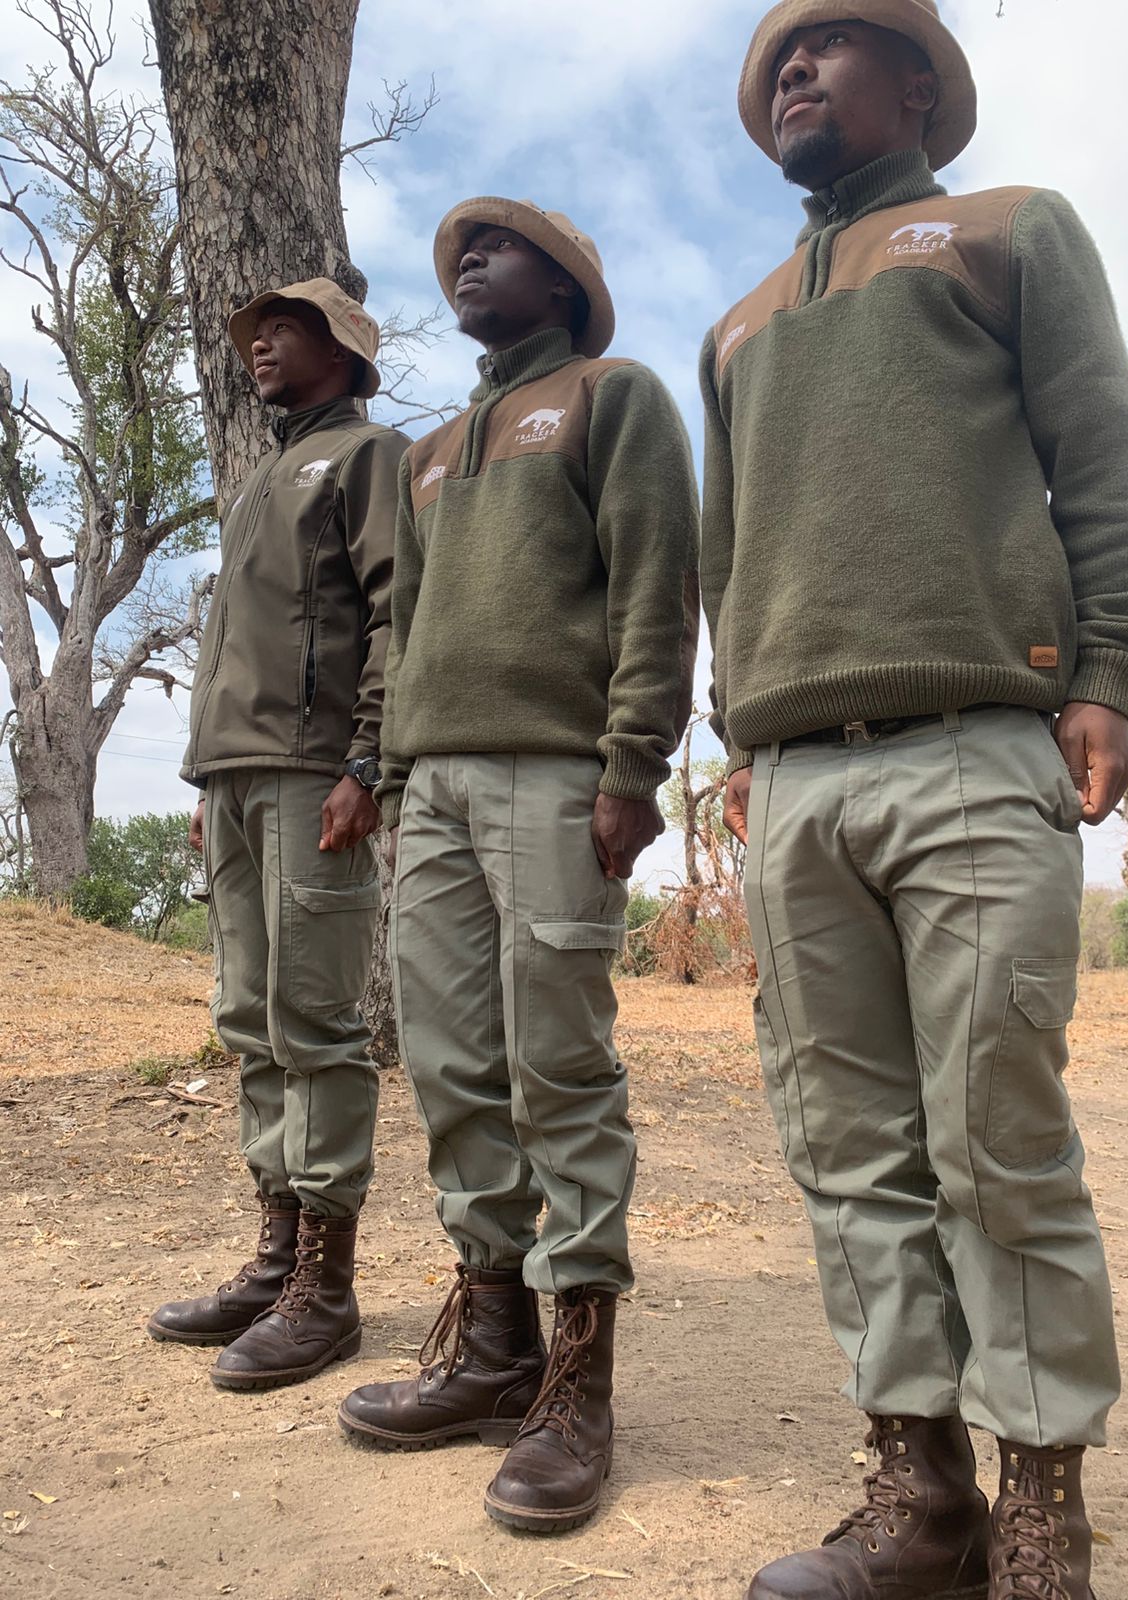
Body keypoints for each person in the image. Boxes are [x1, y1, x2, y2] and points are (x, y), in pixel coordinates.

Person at [700, 5, 1128, 1597]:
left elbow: (1100, 454)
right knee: (846, 1147)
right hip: (796, 773)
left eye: (834, 47)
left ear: (920, 87)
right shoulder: (740, 327)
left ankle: (1044, 1498)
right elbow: (725, 557)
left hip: (979, 738)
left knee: (997, 1140)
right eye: (779, 58)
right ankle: (920, 1493)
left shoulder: (1004, 231)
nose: (795, 71)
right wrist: (738, 741)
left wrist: (1109, 667)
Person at [337, 199, 700, 1534]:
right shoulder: (432, 453)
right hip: (429, 791)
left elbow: (662, 584)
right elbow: (407, 630)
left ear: (567, 282)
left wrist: (629, 769)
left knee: (559, 1061)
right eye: (456, 255)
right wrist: (383, 771)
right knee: (447, 1062)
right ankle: (492, 1347)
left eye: (497, 247)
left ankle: (578, 1384)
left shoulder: (616, 397)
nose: (466, 264)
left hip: (556, 777)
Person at [147, 279, 410, 1392]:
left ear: (345, 349)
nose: (260, 344)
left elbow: (399, 611)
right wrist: (208, 773)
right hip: (240, 782)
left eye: (285, 329)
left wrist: (366, 761)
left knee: (315, 1019)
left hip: (318, 781)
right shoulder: (264, 470)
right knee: (250, 1018)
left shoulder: (366, 456)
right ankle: (272, 1255)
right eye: (254, 331)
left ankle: (327, 1284)